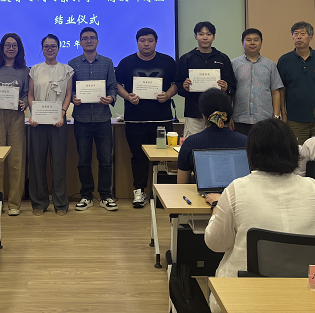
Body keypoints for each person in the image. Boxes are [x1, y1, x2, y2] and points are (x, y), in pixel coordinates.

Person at [202, 119, 315, 310]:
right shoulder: (312, 187)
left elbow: (216, 244)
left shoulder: (236, 189)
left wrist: (217, 207)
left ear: (251, 152)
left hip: (242, 299)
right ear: (293, 150)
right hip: (302, 298)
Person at [115, 27, 178, 208]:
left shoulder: (168, 61)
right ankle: (139, 191)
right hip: (135, 120)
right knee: (138, 156)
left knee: (163, 157)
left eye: (150, 40)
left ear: (156, 42)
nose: (146, 44)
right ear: (137, 42)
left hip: (162, 120)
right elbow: (117, 85)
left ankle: (161, 194)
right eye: (142, 40)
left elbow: (177, 84)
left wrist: (167, 95)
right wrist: (128, 97)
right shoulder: (126, 62)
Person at [68, 26, 119, 212]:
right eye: (85, 38)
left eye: (92, 38)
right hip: (81, 120)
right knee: (83, 161)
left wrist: (111, 98)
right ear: (80, 42)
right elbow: (70, 89)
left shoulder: (107, 62)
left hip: (102, 119)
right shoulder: (72, 64)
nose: (88, 41)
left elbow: (112, 87)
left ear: (97, 41)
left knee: (105, 160)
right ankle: (86, 196)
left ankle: (105, 196)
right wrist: (73, 97)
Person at [0, 32, 29, 216]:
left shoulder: (25, 70)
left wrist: (24, 103)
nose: (11, 48)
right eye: (7, 45)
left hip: (16, 117)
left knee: (16, 160)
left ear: (19, 49)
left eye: (14, 45)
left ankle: (14, 203)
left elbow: (26, 93)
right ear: (2, 48)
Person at [28, 34, 74, 216]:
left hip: (58, 122)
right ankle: (39, 202)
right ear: (42, 48)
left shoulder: (66, 70)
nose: (49, 49)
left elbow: (68, 94)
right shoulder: (34, 70)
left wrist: (62, 113)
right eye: (46, 46)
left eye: (53, 46)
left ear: (58, 48)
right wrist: (33, 114)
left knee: (59, 163)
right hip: (38, 123)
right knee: (37, 162)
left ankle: (61, 203)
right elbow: (30, 95)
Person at [276, 21, 315, 144]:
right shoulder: (284, 60)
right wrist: (283, 114)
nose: (298, 37)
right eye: (295, 34)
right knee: (298, 152)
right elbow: (281, 90)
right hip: (295, 120)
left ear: (311, 37)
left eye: (302, 34)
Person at [175, 21, 237, 138]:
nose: (205, 37)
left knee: (216, 144)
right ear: (195, 36)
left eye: (208, 34)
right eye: (201, 34)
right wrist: (184, 87)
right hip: (194, 113)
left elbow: (232, 86)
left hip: (218, 114)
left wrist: (226, 87)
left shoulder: (223, 58)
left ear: (213, 37)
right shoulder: (186, 59)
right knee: (193, 143)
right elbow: (178, 86)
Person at [177, 88, 246, 184]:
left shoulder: (190, 143)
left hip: (200, 194)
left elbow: (181, 184)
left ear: (203, 114)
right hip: (237, 193)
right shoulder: (246, 142)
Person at [230, 28, 283, 136]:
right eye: (248, 40)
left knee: (264, 147)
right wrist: (229, 116)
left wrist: (276, 116)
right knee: (242, 147)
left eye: (256, 40)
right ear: (242, 42)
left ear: (261, 42)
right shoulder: (233, 64)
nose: (252, 43)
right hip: (239, 120)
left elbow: (275, 92)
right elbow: (229, 92)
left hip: (264, 120)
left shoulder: (270, 65)